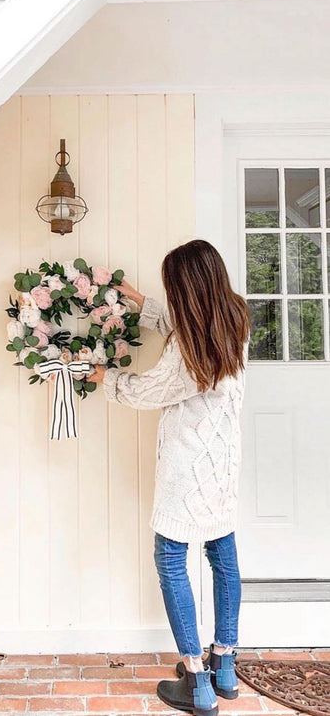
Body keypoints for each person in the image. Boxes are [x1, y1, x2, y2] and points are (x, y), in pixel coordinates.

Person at [87, 239, 250, 716]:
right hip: (222, 462)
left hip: (187, 467)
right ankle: (224, 666)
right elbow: (185, 323)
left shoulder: (186, 348)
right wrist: (139, 302)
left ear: (187, 289)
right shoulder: (234, 319)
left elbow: (151, 389)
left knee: (172, 559)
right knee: (223, 555)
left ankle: (197, 682)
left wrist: (102, 378)